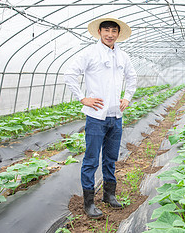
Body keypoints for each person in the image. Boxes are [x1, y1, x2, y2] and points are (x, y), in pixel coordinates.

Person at [64, 17, 137, 219]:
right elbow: (70, 74)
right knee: (90, 160)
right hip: (96, 117)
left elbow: (132, 78)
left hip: (116, 116)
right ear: (99, 32)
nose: (110, 34)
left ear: (118, 34)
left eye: (114, 31)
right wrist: (82, 98)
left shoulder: (123, 56)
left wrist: (127, 98)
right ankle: (88, 203)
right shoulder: (90, 53)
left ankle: (109, 195)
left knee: (111, 159)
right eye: (106, 30)